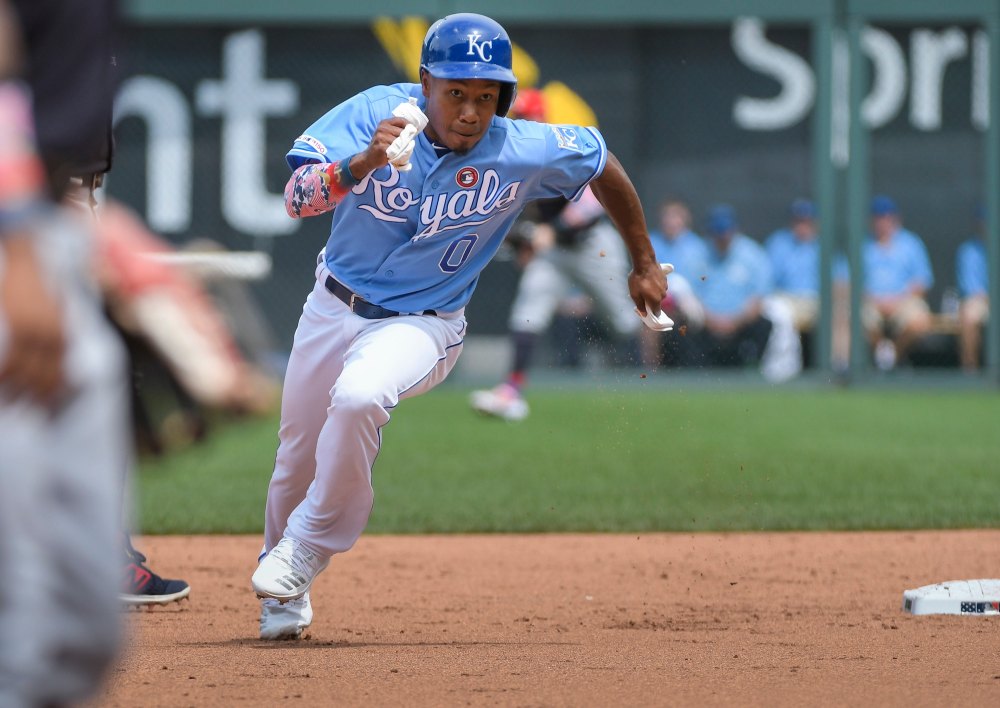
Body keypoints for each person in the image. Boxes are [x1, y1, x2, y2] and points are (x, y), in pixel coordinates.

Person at [251, 13, 667, 640]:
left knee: (361, 396)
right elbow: (296, 198)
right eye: (456, 92)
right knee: (294, 460)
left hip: (424, 323)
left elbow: (601, 160)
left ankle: (308, 544)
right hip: (332, 304)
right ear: (424, 83)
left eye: (486, 95)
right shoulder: (373, 113)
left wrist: (642, 260)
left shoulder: (519, 144)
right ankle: (283, 599)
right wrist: (364, 160)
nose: (472, 110)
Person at [0, 0, 127, 703]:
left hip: (48, 221)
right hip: (13, 234)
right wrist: (19, 235)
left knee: (84, 629)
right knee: (19, 617)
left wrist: (90, 237)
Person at [469, 89, 642, 421]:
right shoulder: (509, 155)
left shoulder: (558, 147)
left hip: (594, 245)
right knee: (528, 311)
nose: (519, 122)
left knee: (622, 321)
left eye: (525, 117)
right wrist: (525, 241)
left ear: (539, 119)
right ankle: (512, 391)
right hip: (557, 253)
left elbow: (591, 207)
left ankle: (658, 381)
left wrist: (553, 230)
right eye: (516, 117)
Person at [689, 204, 774, 368]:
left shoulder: (753, 255)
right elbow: (691, 297)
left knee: (764, 324)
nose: (722, 237)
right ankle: (695, 377)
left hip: (741, 324)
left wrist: (734, 322)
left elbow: (759, 298)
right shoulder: (698, 255)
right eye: (717, 232)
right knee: (683, 327)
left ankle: (752, 371)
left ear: (735, 230)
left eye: (725, 231)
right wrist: (712, 321)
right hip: (706, 324)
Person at [862, 195, 934, 371]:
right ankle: (882, 356)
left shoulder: (911, 243)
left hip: (904, 300)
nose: (882, 222)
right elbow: (847, 282)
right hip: (870, 301)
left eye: (886, 217)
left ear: (895, 219)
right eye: (878, 217)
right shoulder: (862, 244)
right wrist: (874, 299)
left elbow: (923, 282)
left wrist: (898, 300)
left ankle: (893, 356)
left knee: (920, 321)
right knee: (851, 315)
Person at [643, 197, 708, 367]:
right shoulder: (650, 242)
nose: (671, 221)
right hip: (657, 301)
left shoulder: (698, 247)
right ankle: (650, 370)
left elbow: (702, 285)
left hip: (689, 305)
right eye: (667, 216)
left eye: (676, 216)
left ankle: (691, 369)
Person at [955, 207, 988, 372]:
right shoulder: (969, 251)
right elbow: (972, 290)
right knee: (969, 314)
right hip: (980, 301)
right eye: (984, 222)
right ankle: (970, 369)